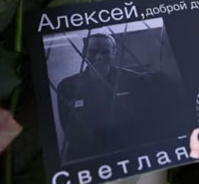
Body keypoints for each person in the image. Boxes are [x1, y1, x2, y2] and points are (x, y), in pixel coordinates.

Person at [57, 33, 157, 162]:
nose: (98, 57)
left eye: (105, 52)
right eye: (93, 51)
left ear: (114, 53)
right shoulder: (67, 85)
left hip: (127, 151)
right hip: (85, 156)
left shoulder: (134, 79)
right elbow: (69, 127)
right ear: (83, 52)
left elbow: (144, 117)